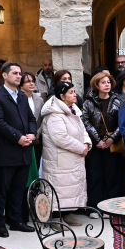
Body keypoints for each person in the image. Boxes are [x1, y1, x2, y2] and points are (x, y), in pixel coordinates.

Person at [0, 62, 37, 237]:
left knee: (18, 189)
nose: (18, 76)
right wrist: (18, 137)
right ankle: (0, 223)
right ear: (4, 75)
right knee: (1, 190)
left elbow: (31, 119)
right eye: (15, 73)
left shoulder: (22, 96)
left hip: (24, 150)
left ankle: (15, 221)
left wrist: (32, 134)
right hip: (6, 151)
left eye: (20, 73)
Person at [41, 81, 91, 225]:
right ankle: (56, 217)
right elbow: (60, 138)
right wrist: (81, 148)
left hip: (73, 156)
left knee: (70, 188)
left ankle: (67, 214)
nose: (75, 95)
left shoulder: (73, 109)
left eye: (74, 91)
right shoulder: (54, 114)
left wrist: (86, 143)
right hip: (59, 159)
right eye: (71, 92)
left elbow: (82, 130)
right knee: (59, 188)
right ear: (62, 96)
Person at [82, 71, 125, 212]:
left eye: (108, 82)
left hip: (112, 145)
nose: (107, 85)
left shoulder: (118, 100)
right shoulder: (88, 102)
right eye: (103, 82)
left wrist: (112, 139)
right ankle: (94, 208)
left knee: (112, 176)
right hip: (95, 145)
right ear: (96, 85)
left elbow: (123, 123)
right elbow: (85, 121)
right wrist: (97, 140)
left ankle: (110, 207)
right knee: (95, 176)